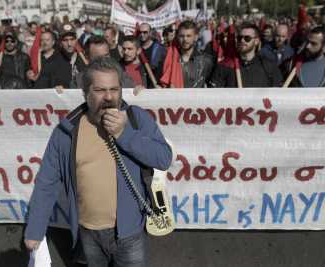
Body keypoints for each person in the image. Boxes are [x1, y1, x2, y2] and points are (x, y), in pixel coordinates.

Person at [24, 57, 172, 267]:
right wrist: (35, 230)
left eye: (114, 89)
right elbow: (47, 181)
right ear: (85, 93)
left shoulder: (136, 118)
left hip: (130, 233)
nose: (109, 97)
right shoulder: (67, 131)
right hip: (88, 233)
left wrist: (125, 134)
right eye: (100, 90)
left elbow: (163, 157)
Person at [210, 23, 283, 88]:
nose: (242, 40)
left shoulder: (268, 66)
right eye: (239, 38)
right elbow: (214, 96)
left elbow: (278, 95)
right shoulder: (225, 66)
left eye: (247, 38)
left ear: (256, 41)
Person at [161, 20, 214, 88]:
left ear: (196, 37)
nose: (185, 39)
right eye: (181, 36)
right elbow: (161, 85)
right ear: (177, 36)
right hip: (175, 97)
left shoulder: (206, 61)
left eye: (188, 36)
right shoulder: (169, 59)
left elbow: (213, 88)